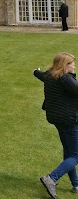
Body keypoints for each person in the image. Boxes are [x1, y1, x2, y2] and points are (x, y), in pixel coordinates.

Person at [35, 52, 78, 199]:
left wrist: (35, 71)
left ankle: (76, 184)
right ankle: (51, 178)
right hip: (69, 120)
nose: (74, 65)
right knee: (75, 155)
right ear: (64, 66)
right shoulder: (66, 79)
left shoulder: (50, 76)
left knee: (69, 151)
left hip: (57, 120)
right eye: (72, 63)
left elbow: (40, 75)